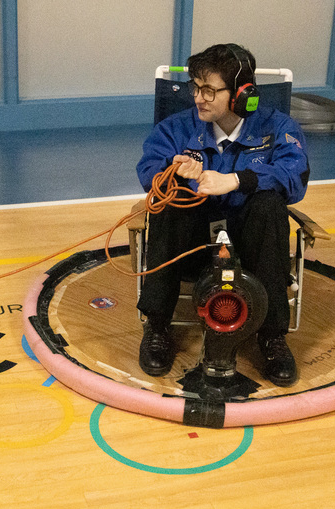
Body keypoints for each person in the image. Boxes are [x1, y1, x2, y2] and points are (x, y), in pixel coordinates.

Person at [136, 43, 310, 386]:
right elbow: (148, 171)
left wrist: (237, 180)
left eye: (209, 90)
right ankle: (157, 325)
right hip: (192, 246)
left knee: (270, 205)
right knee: (171, 203)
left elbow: (295, 178)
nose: (199, 98)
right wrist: (173, 172)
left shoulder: (277, 127)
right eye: (195, 88)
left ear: (241, 94)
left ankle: (272, 337)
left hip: (250, 249)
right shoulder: (176, 129)